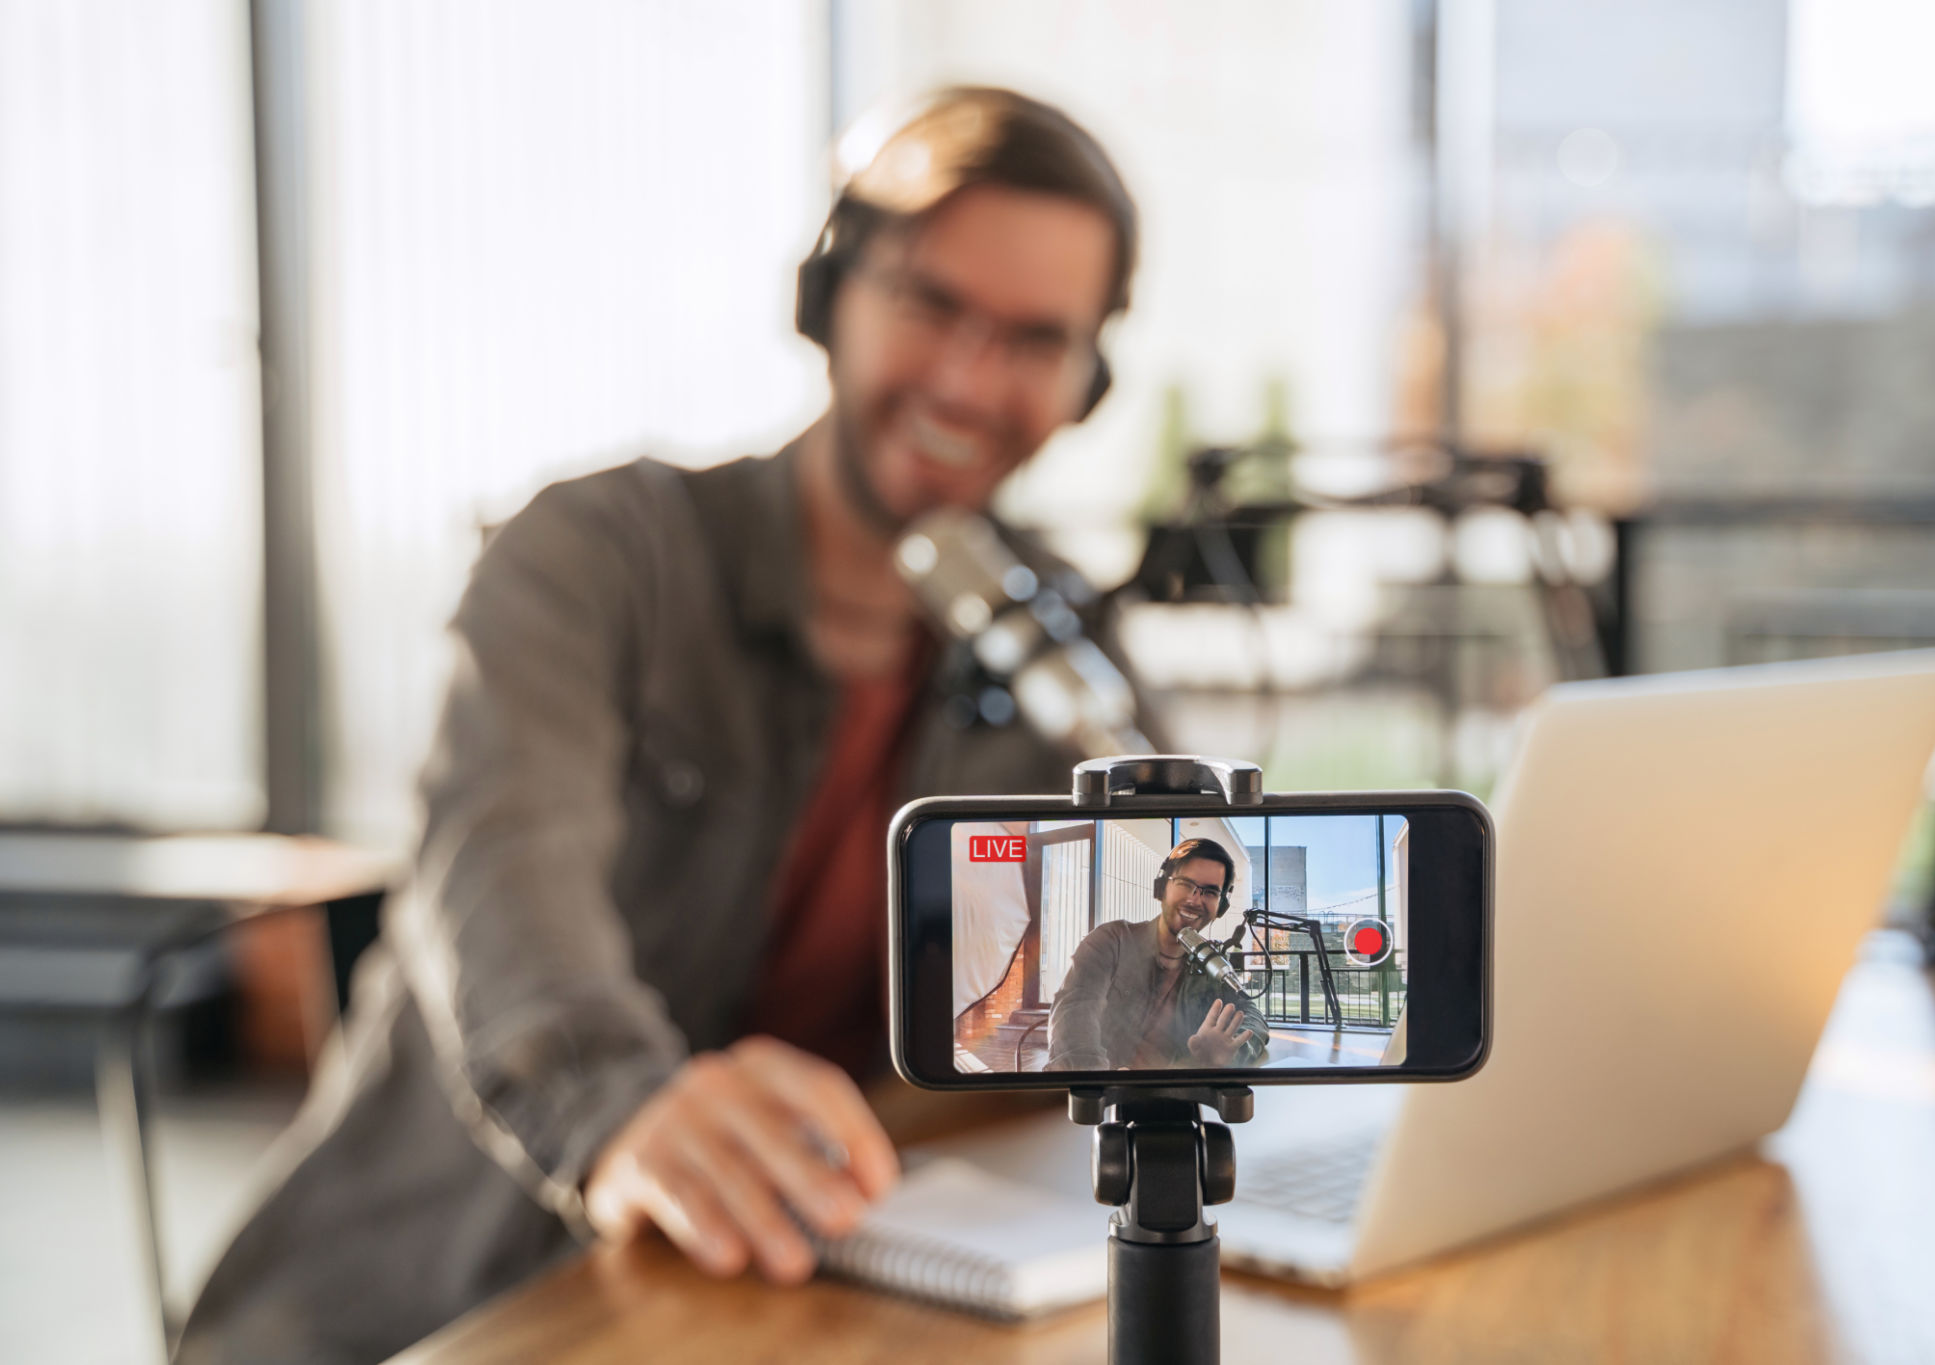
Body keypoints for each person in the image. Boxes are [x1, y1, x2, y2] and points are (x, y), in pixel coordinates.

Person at [177, 87, 1152, 1365]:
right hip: (442, 1299)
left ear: (1085, 384)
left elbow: (1151, 907)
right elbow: (505, 870)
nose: (969, 380)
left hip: (794, 1291)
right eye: (930, 304)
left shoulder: (1046, 628)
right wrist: (617, 1102)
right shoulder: (591, 557)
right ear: (826, 296)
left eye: (1032, 338)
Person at [1045, 837, 1270, 1071]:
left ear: (1221, 906)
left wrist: (1230, 1051)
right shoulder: (1111, 940)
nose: (1195, 899)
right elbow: (1074, 1012)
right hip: (1101, 1097)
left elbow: (1253, 1017)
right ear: (1162, 888)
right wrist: (1101, 1082)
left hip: (1173, 1095)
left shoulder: (1211, 966)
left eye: (1210, 892)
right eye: (1184, 883)